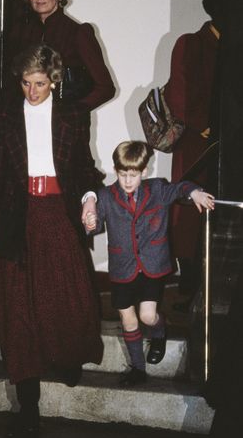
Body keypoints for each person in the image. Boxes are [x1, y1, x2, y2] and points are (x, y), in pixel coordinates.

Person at [0, 44, 104, 438]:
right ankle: (28, 401)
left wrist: (89, 201)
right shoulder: (3, 116)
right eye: (27, 83)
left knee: (66, 293)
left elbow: (83, 168)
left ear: (55, 81)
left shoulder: (72, 115)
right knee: (18, 309)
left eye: (41, 84)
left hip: (56, 211)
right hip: (18, 214)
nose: (32, 92)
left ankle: (67, 358)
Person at [84, 141, 215, 386]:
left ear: (144, 171)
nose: (128, 180)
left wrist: (194, 192)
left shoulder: (157, 189)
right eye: (123, 175)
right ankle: (137, 369)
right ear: (116, 170)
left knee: (147, 316)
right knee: (127, 319)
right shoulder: (105, 196)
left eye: (133, 175)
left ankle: (159, 331)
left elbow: (180, 188)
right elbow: (94, 224)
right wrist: (90, 224)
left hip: (153, 266)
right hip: (122, 268)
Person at [164, 0, 224, 304]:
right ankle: (189, 287)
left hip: (228, 145)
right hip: (197, 145)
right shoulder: (191, 43)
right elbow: (179, 96)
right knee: (190, 213)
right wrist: (204, 127)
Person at [7, 0, 115, 110]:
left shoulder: (78, 33)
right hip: (28, 122)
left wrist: (74, 113)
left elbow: (106, 88)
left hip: (66, 129)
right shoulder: (19, 32)